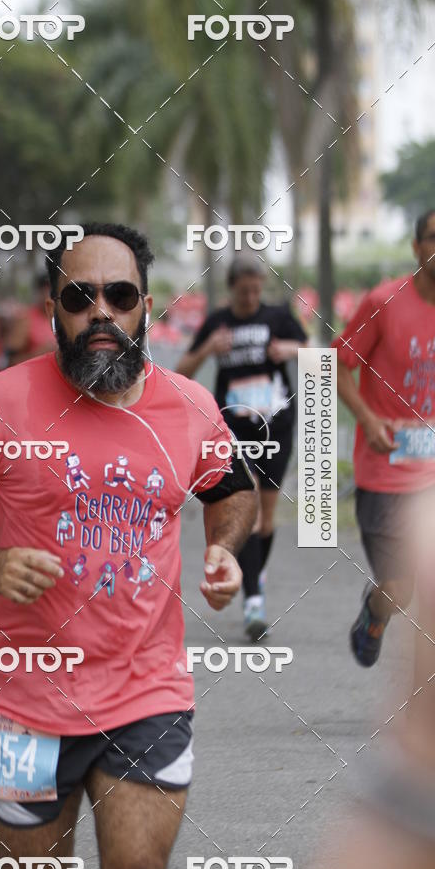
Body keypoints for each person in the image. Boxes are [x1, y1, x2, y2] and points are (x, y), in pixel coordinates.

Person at [0, 223, 258, 869]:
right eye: (80, 297)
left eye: (119, 295)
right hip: (22, 700)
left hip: (149, 692)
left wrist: (225, 550)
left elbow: (232, 489)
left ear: (147, 305)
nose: (100, 313)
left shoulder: (190, 406)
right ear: (53, 306)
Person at [176, 256, 307, 641]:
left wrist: (290, 350)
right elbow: (181, 370)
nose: (251, 297)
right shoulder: (218, 321)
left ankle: (252, 577)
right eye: (244, 290)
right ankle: (254, 600)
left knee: (266, 519)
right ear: (231, 287)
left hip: (276, 424)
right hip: (233, 426)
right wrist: (208, 350)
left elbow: (312, 350)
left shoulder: (278, 316)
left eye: (256, 289)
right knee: (245, 509)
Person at [333, 209, 435, 668]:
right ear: (417, 248)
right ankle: (374, 613)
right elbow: (334, 365)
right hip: (385, 474)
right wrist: (368, 419)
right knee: (400, 589)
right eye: (434, 238)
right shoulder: (384, 301)